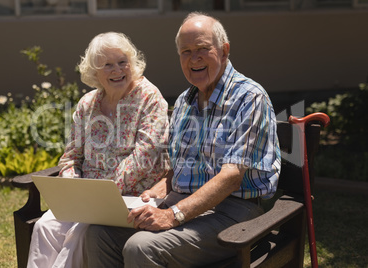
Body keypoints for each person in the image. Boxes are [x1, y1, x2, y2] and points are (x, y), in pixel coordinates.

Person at [85, 12, 281, 267]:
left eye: (202, 48)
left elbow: (231, 177)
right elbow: (180, 165)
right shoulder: (184, 102)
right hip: (184, 204)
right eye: (186, 51)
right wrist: (159, 188)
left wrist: (173, 215)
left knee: (141, 247)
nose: (194, 58)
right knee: (99, 234)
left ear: (224, 51)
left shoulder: (249, 98)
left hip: (233, 214)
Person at [27, 32, 170, 268]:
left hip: (132, 197)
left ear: (132, 63)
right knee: (46, 226)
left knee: (82, 231)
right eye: (108, 65)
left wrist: (101, 195)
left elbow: (144, 156)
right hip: (86, 197)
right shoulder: (87, 103)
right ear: (95, 72)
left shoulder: (149, 98)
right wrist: (74, 189)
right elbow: (71, 156)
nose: (117, 70)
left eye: (122, 62)